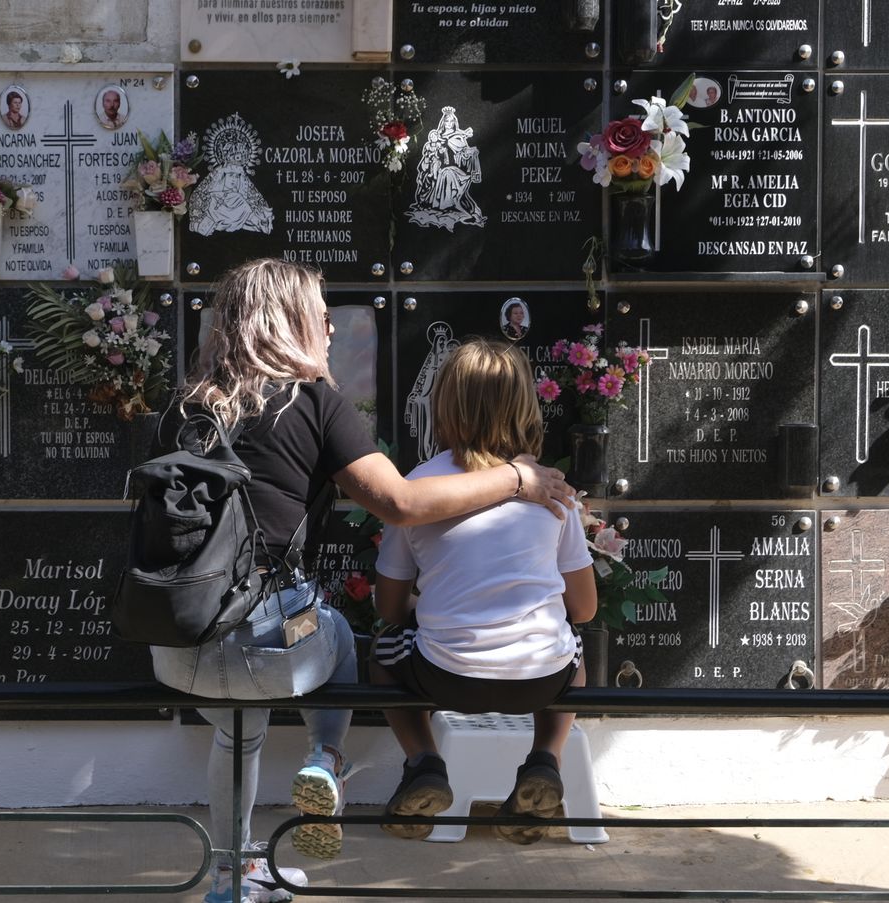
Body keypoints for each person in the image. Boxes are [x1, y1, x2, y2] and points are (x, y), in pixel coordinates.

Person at [148, 260, 576, 903]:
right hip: (271, 644)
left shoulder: (181, 409)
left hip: (177, 645)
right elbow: (402, 503)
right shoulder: (314, 403)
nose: (327, 327)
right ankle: (327, 757)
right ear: (288, 322)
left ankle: (231, 879)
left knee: (237, 730)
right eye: (319, 314)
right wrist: (523, 480)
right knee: (342, 634)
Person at [369, 337, 595, 847]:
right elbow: (583, 608)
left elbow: (387, 606)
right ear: (525, 405)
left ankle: (424, 762)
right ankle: (545, 760)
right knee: (574, 643)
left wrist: (432, 610)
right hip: (542, 681)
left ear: (444, 405)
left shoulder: (420, 487)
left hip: (445, 677)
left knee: (383, 653)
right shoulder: (554, 491)